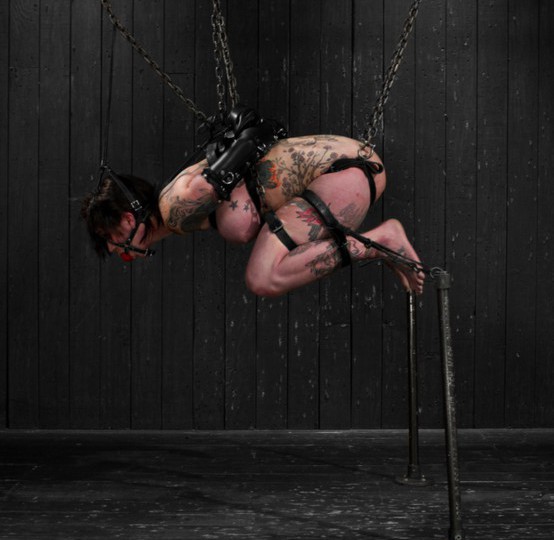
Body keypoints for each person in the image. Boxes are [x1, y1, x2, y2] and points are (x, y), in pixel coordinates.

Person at [81, 106, 424, 297]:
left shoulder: (173, 207)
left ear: (127, 220)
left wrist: (240, 145)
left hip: (342, 172)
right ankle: (381, 244)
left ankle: (381, 242)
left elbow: (203, 187)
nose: (114, 249)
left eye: (110, 240)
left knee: (261, 277)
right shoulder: (176, 215)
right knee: (263, 274)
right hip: (348, 172)